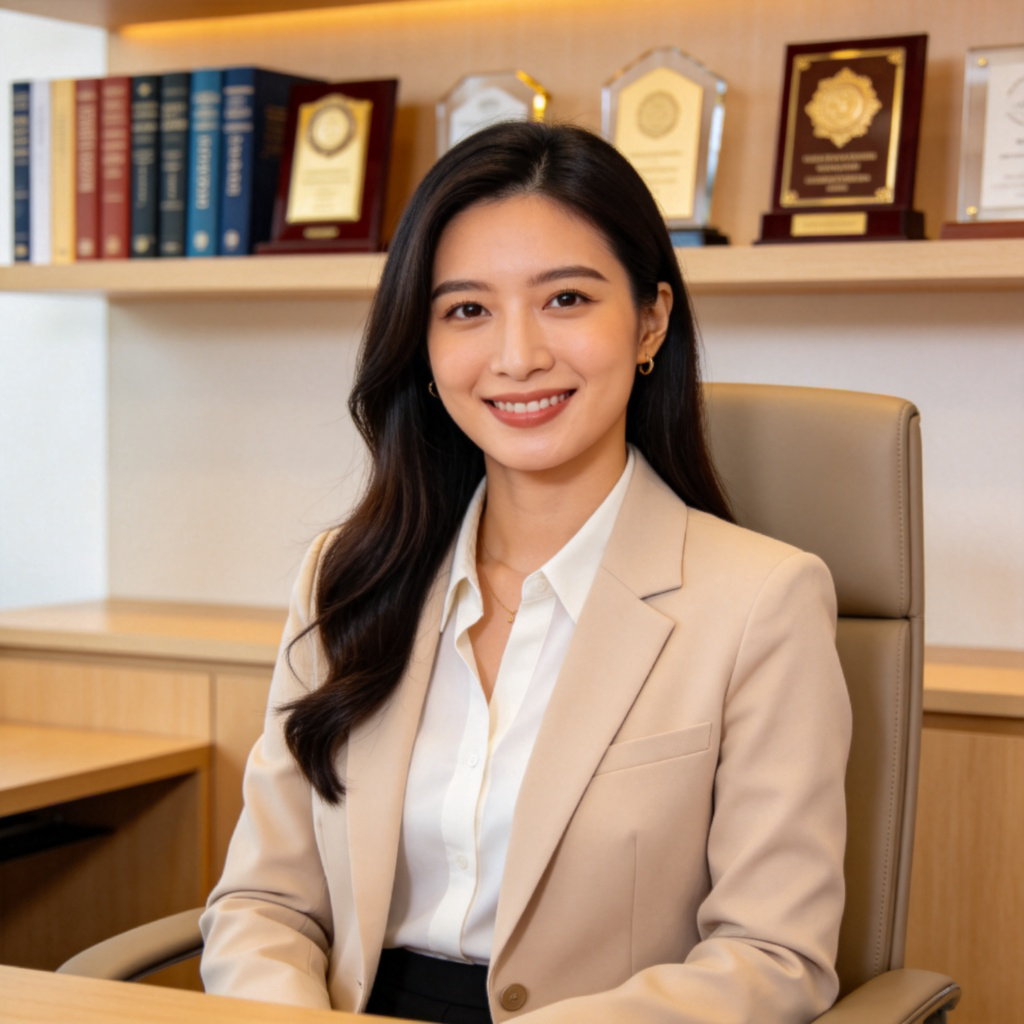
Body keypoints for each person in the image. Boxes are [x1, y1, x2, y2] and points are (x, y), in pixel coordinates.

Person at [199, 121, 852, 1024]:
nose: (517, 357)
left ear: (651, 320)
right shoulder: (347, 576)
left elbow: (773, 957)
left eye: (567, 300)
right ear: (422, 345)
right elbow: (266, 905)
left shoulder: (760, 602)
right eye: (467, 309)